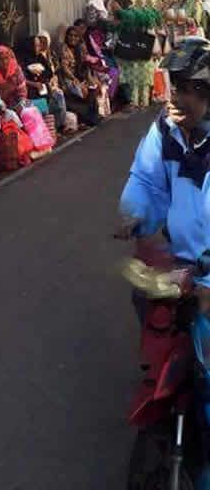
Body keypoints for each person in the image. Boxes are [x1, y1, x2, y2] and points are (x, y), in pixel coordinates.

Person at [117, 38, 210, 490]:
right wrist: (135, 214)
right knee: (149, 305)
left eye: (189, 88)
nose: (177, 96)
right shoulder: (166, 131)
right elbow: (147, 180)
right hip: (185, 264)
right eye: (175, 85)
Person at [0, 44, 55, 156]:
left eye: (6, 58)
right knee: (13, 115)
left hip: (16, 102)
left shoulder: (16, 69)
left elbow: (22, 91)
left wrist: (20, 103)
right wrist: (6, 104)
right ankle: (26, 148)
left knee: (30, 111)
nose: (5, 62)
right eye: (1, 59)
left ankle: (43, 145)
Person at [17, 32, 69, 131]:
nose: (39, 47)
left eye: (39, 45)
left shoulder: (40, 57)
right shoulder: (22, 59)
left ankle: (56, 126)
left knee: (58, 96)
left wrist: (41, 75)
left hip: (43, 88)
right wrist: (34, 82)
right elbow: (21, 79)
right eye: (36, 45)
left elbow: (49, 73)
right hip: (30, 91)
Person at [58, 24, 103, 126]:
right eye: (70, 35)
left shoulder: (80, 48)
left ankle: (93, 116)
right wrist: (76, 80)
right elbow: (64, 68)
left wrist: (90, 79)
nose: (72, 38)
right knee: (81, 91)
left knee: (94, 87)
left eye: (75, 36)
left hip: (80, 76)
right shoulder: (64, 49)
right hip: (68, 78)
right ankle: (89, 118)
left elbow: (85, 66)